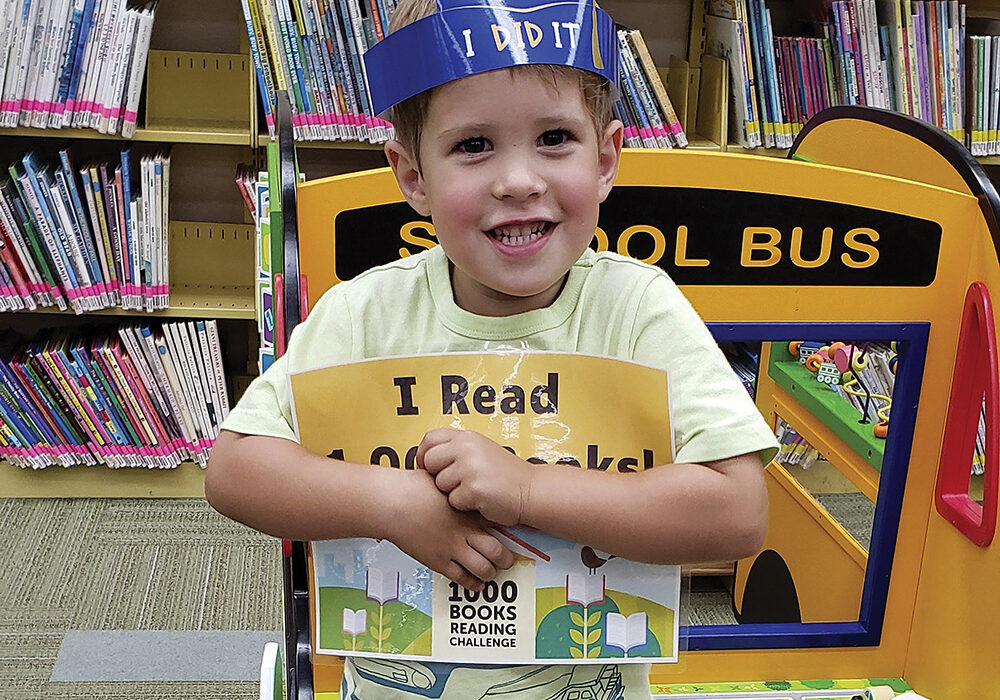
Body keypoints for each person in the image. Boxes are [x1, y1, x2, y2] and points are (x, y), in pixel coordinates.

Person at [206, 0, 779, 696]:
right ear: (413, 174)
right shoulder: (363, 315)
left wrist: (528, 488)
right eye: (473, 145)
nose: (517, 180)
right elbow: (235, 470)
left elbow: (739, 510)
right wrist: (393, 504)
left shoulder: (638, 310)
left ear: (606, 158)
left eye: (555, 138)